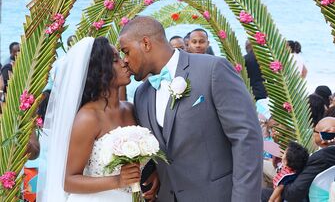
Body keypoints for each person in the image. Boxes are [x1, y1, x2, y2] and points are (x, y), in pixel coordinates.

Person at [119, 16, 263, 201]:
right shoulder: (141, 95)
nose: (125, 60)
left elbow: (247, 138)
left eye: (126, 51)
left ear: (146, 43)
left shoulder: (212, 70)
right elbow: (166, 147)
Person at [37, 37, 140, 202]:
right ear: (99, 72)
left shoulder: (130, 108)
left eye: (120, 57)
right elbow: (68, 181)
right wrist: (118, 180)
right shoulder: (89, 117)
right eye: (115, 60)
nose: (124, 63)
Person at [262, 117, 335, 202]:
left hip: (306, 196)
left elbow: (293, 193)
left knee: (262, 193)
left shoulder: (322, 157)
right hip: (318, 191)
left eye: (314, 131)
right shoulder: (326, 153)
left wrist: (281, 185)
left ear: (323, 139)